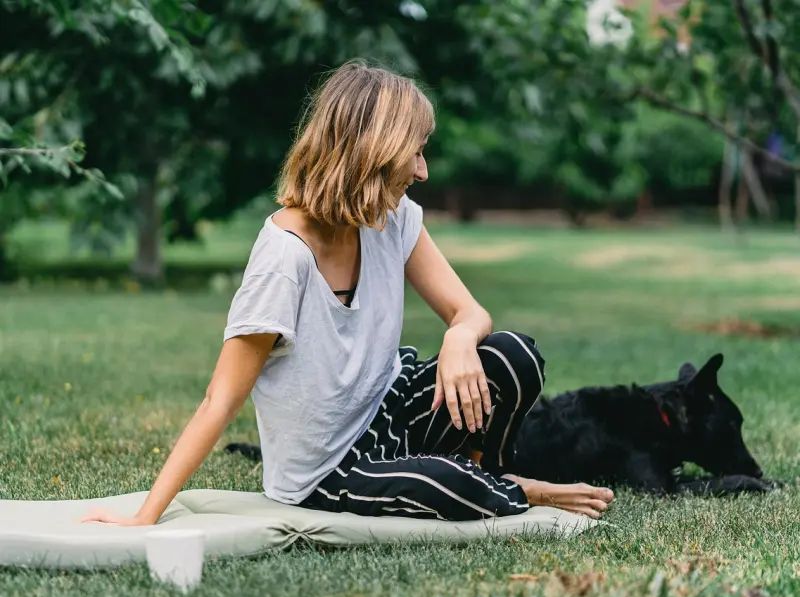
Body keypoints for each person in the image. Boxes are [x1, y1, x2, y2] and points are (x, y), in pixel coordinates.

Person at [80, 60, 614, 526]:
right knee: (450, 486)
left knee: (512, 356)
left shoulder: (392, 218)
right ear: (374, 153)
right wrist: (145, 514)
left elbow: (469, 312)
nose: (423, 171)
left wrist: (458, 337)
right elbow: (219, 399)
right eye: (415, 153)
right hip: (328, 469)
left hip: (392, 406)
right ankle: (510, 488)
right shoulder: (285, 259)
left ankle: (488, 473)